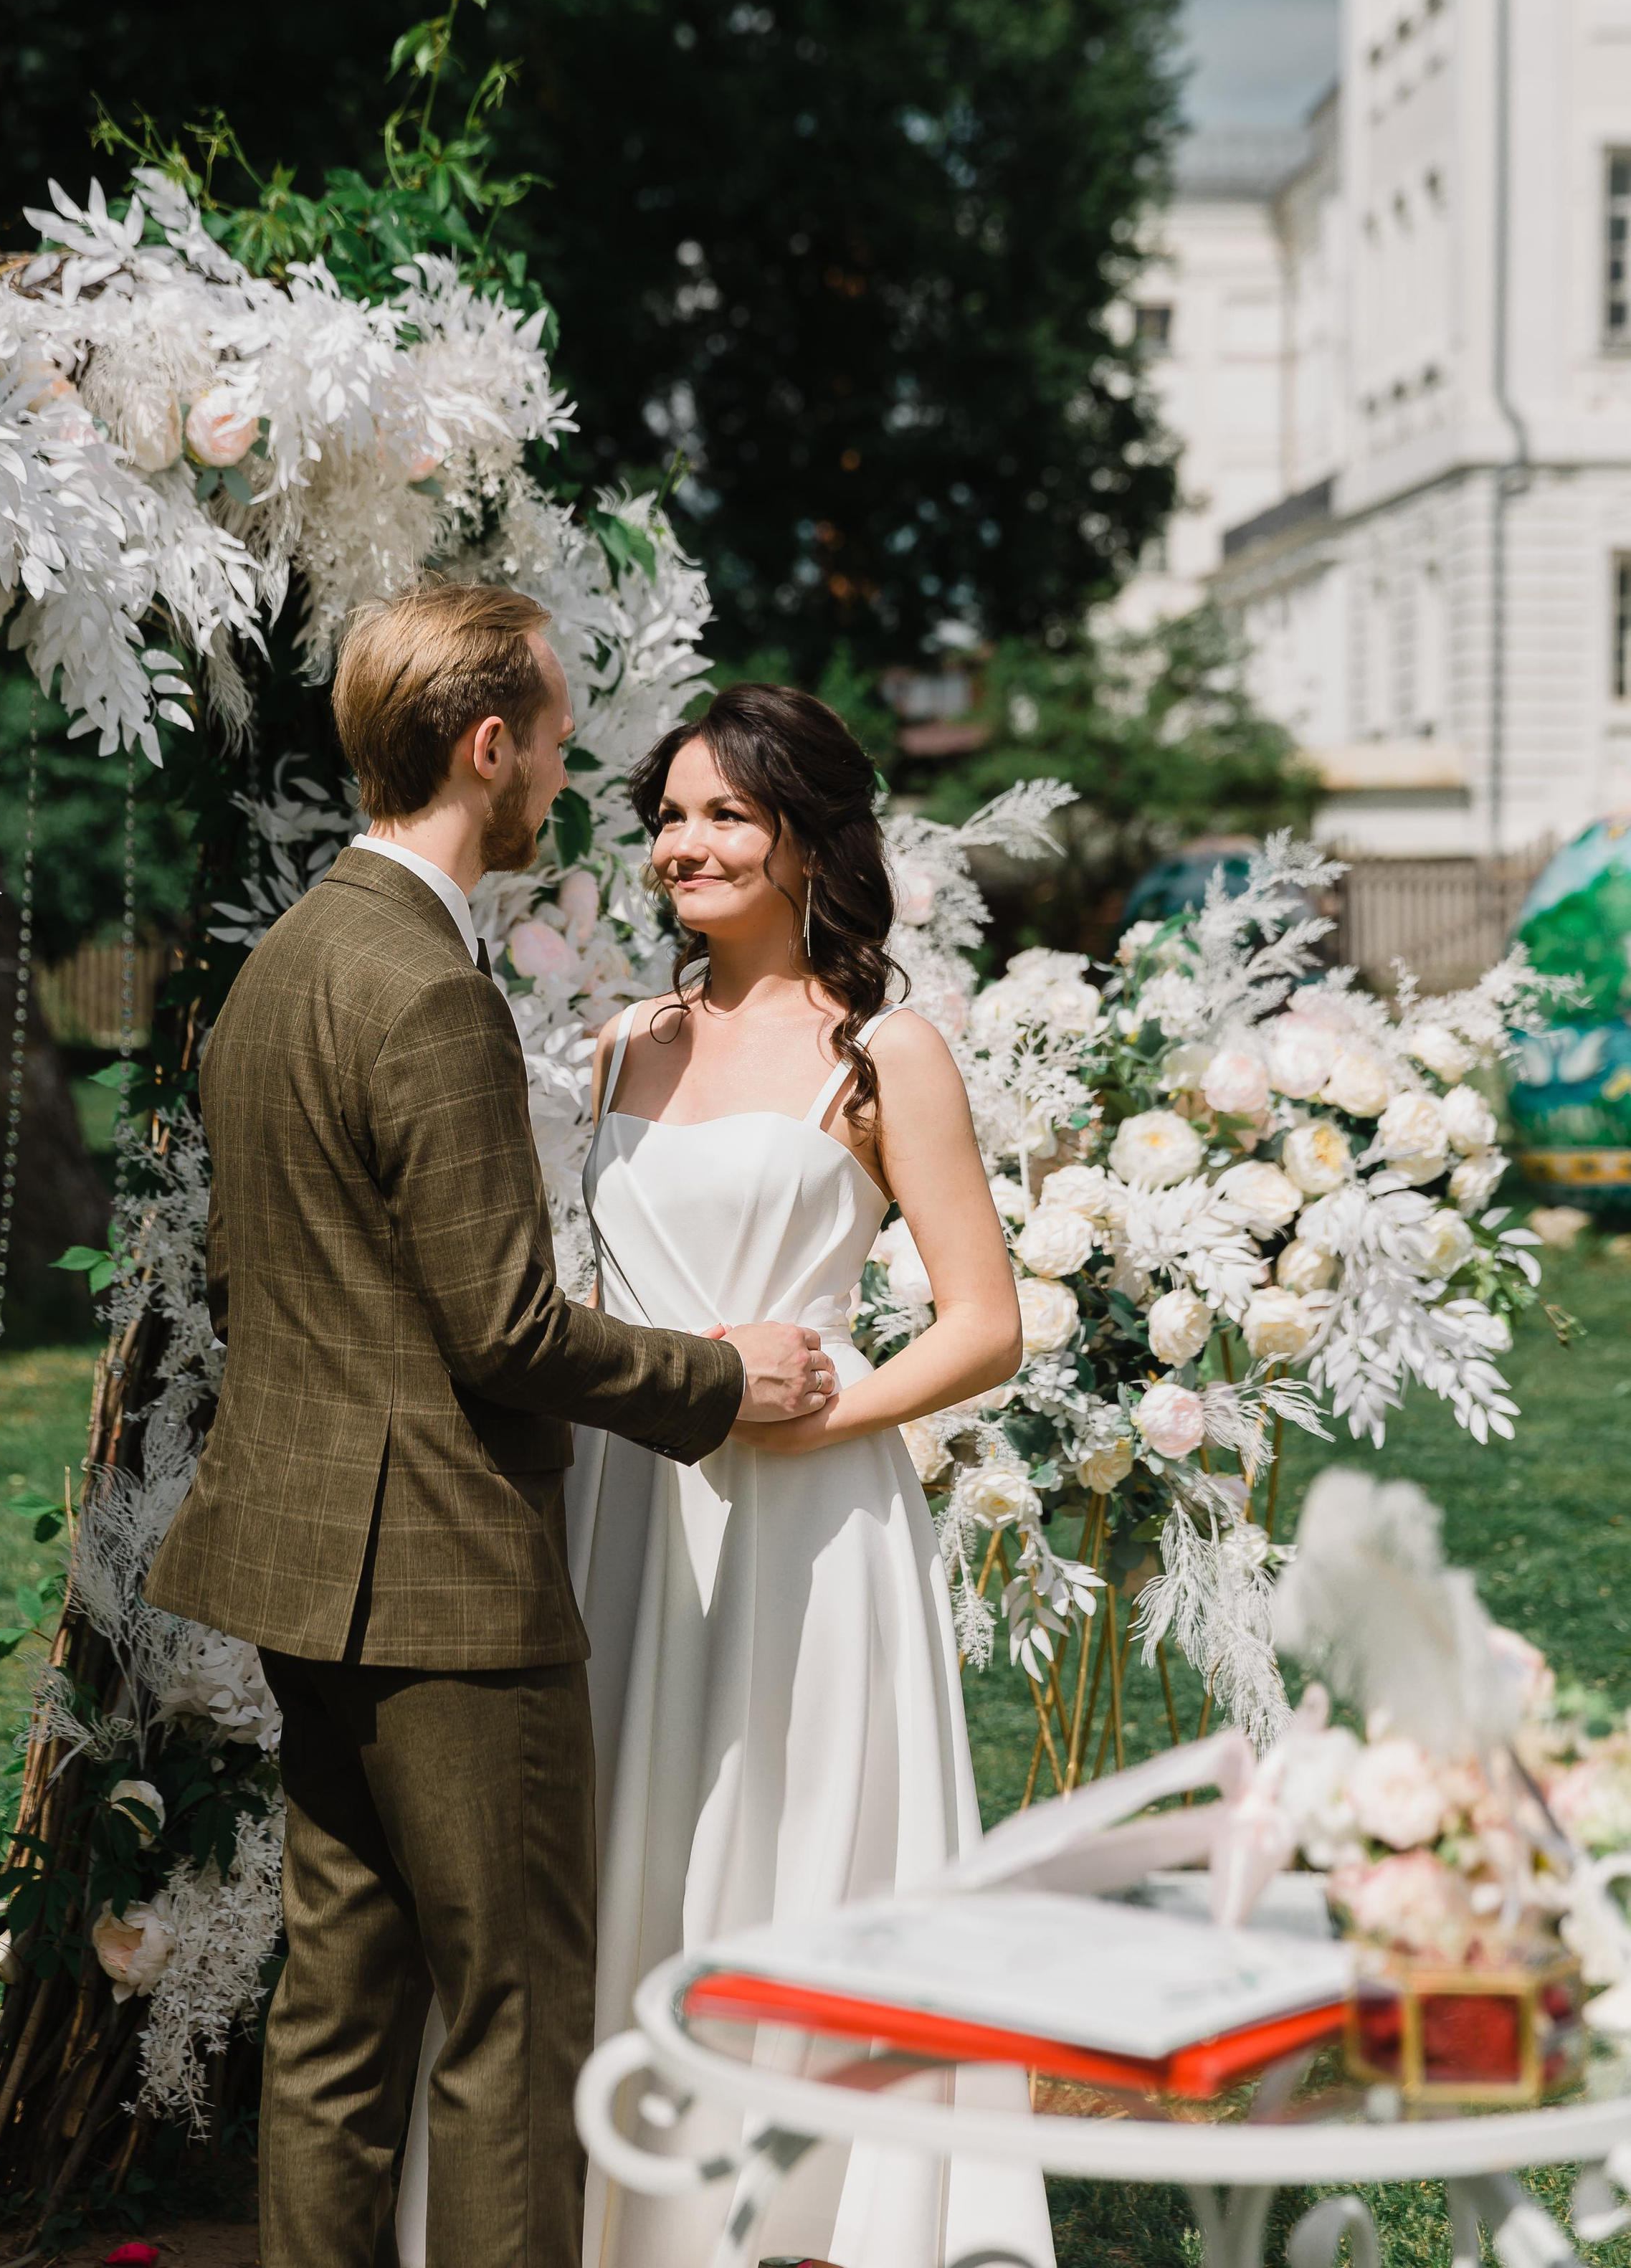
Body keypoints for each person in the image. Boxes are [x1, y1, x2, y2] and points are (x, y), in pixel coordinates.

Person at [144, 587, 836, 2268]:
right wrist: (720, 1378)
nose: (561, 768)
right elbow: (502, 1329)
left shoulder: (285, 963)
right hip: (450, 1577)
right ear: (484, 745)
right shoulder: (431, 992)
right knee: (516, 2021)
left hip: (306, 1566)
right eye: (551, 734)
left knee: (336, 2011)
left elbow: (273, 1277)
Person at [569, 683, 1056, 2268]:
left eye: (724, 814)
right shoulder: (621, 1046)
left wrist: (816, 1417)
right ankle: (638, 2208)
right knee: (633, 1845)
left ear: (804, 840)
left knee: (790, 1853)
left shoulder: (881, 1049)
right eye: (666, 819)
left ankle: (806, 2218)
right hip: (626, 1505)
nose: (684, 846)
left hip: (805, 1527)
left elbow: (983, 1325)